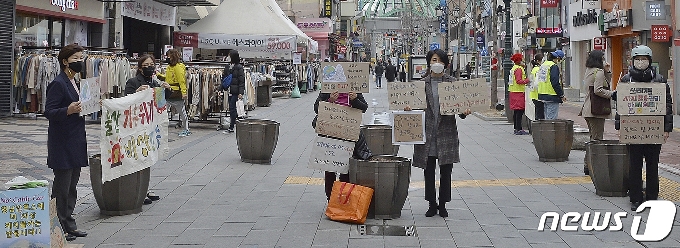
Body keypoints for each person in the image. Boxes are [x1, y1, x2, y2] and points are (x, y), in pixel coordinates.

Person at [404, 49, 471, 218]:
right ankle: (431, 204)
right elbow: (415, 107)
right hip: (427, 134)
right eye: (434, 60)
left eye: (441, 61)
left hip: (446, 133)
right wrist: (408, 109)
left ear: (445, 64)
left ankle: (443, 204)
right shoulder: (421, 83)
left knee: (446, 171)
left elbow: (460, 109)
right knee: (429, 172)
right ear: (429, 62)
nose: (437, 63)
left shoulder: (452, 83)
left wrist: (464, 111)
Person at [614, 45, 673, 211]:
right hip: (633, 130)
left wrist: (666, 128)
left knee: (653, 164)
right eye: (638, 59)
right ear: (632, 61)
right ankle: (636, 198)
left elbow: (667, 105)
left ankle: (652, 197)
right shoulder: (626, 80)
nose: (641, 62)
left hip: (654, 130)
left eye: (644, 59)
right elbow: (621, 106)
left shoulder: (659, 80)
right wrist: (619, 126)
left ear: (650, 61)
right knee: (635, 165)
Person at [44, 44, 89, 241]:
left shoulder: (74, 81)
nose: (80, 62)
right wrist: (67, 110)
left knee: (72, 185)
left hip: (75, 140)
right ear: (65, 61)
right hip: (62, 142)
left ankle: (68, 224)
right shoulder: (58, 83)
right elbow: (49, 112)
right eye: (76, 59)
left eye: (81, 58)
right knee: (62, 187)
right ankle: (58, 226)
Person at [125, 54, 172, 204]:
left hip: (150, 126)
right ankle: (138, 190)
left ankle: (145, 188)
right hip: (137, 126)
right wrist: (137, 92)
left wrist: (167, 89)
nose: (149, 67)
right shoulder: (133, 82)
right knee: (138, 158)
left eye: (152, 64)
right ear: (139, 68)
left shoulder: (155, 82)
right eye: (145, 65)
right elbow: (125, 101)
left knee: (148, 158)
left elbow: (161, 102)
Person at [313, 90, 369, 201]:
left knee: (346, 168)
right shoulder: (328, 88)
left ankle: (344, 199)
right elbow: (316, 108)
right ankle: (331, 198)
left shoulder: (354, 89)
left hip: (348, 134)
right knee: (330, 169)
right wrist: (330, 100)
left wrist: (355, 100)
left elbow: (364, 108)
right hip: (330, 134)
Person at [578, 50, 615, 175]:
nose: (605, 60)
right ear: (599, 59)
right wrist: (612, 95)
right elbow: (599, 90)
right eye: (603, 58)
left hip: (588, 108)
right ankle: (590, 165)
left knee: (593, 137)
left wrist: (607, 71)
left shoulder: (590, 70)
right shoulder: (598, 72)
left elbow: (604, 82)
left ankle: (588, 165)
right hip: (596, 110)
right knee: (597, 139)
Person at [164, 49, 191, 136]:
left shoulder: (178, 67)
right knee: (163, 112)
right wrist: (158, 75)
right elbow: (167, 78)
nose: (167, 58)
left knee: (182, 112)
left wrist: (184, 92)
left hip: (176, 92)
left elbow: (181, 81)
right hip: (168, 91)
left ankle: (186, 129)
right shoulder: (169, 67)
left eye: (168, 56)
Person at [537, 50, 566, 119]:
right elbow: (555, 82)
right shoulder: (553, 66)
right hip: (551, 95)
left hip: (542, 94)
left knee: (547, 118)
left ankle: (546, 129)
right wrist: (561, 95)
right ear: (558, 58)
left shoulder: (543, 65)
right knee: (551, 119)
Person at [224, 50, 246, 133]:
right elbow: (224, 79)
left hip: (235, 91)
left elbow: (241, 81)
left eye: (229, 55)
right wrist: (220, 89)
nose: (228, 57)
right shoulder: (227, 67)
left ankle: (231, 126)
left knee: (232, 108)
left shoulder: (239, 67)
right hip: (229, 90)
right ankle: (236, 122)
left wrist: (241, 92)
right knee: (232, 108)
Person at [509, 53, 530, 135]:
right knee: (520, 111)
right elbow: (519, 81)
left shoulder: (513, 68)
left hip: (513, 91)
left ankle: (516, 128)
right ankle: (519, 129)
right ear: (519, 60)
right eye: (521, 59)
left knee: (516, 111)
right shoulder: (519, 69)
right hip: (518, 92)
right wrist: (527, 80)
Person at [529, 53, 545, 120]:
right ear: (538, 61)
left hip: (533, 94)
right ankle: (539, 129)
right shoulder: (539, 70)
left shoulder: (534, 69)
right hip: (538, 94)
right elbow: (537, 83)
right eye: (542, 60)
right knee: (540, 115)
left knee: (537, 113)